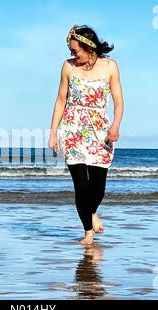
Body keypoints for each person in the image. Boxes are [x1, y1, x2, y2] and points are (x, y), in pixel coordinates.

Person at [48, 24, 124, 245]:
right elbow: (61, 100)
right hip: (72, 128)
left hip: (100, 130)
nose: (72, 55)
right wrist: (53, 133)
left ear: (89, 47)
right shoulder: (68, 67)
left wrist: (116, 124)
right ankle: (88, 233)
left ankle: (92, 211)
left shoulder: (110, 67)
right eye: (71, 51)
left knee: (97, 188)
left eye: (75, 50)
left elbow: (119, 101)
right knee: (81, 186)